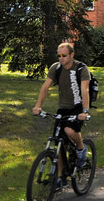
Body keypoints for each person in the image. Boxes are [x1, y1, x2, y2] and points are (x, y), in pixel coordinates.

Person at [33, 43, 91, 188]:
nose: (61, 58)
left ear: (72, 55)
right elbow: (45, 87)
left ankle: (81, 148)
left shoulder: (81, 68)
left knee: (69, 130)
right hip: (63, 108)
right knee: (58, 142)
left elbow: (85, 91)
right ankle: (61, 177)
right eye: (59, 55)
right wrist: (38, 105)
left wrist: (85, 111)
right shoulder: (56, 68)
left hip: (78, 107)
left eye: (64, 55)